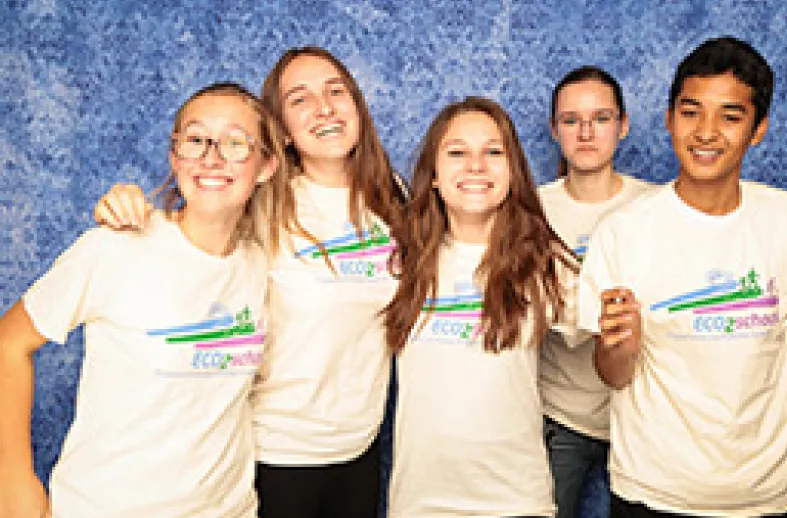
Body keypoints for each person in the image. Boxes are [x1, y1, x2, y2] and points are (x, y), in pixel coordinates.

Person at [578, 36, 787, 518]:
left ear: (758, 129)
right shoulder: (623, 231)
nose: (706, 132)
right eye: (691, 112)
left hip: (762, 494)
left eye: (730, 116)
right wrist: (619, 346)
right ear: (670, 117)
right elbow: (613, 374)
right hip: (652, 491)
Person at [92, 46, 407, 518]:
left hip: (359, 449)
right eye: (300, 99)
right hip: (274, 452)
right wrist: (125, 205)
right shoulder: (264, 199)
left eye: (336, 91)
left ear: (357, 105)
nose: (324, 108)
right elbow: (191, 230)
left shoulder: (392, 196)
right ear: (279, 131)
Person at [0, 82, 286, 517]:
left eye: (234, 143)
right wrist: (14, 481)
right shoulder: (114, 249)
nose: (212, 157)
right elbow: (8, 344)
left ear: (266, 165)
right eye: (195, 140)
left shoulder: (259, 261)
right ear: (175, 157)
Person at [382, 96, 578, 518]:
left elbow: (613, 345)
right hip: (421, 503)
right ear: (433, 175)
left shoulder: (545, 262)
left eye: (493, 152)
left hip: (516, 500)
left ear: (513, 173)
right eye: (457, 153)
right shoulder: (401, 259)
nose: (475, 166)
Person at [538, 65, 653, 518]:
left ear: (623, 126)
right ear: (555, 130)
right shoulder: (530, 209)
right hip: (559, 414)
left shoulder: (655, 207)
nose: (586, 132)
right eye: (571, 120)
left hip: (639, 414)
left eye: (601, 118)